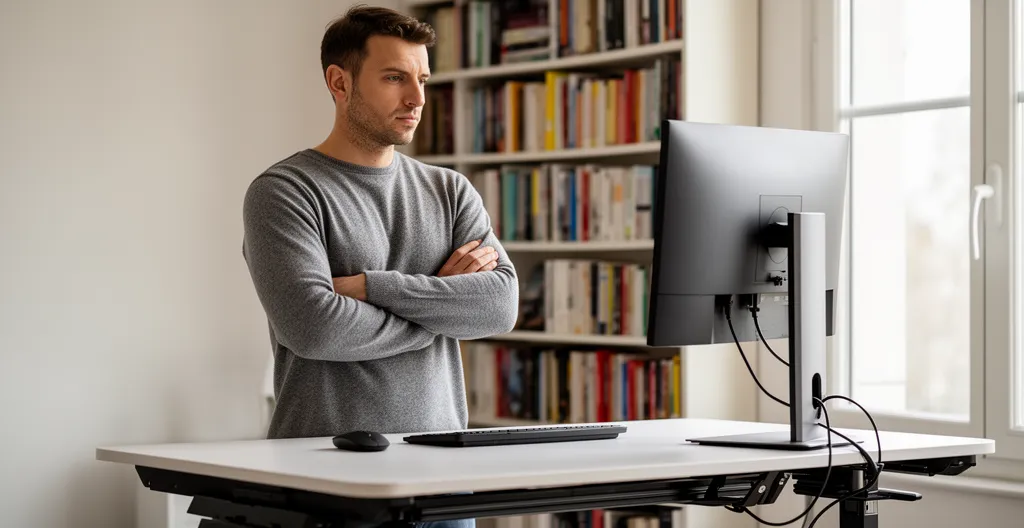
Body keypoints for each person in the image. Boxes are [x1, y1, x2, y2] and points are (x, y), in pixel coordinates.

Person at [241, 3, 519, 449]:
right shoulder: (284, 191)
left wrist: (372, 288)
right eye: (395, 78)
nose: (417, 98)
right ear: (340, 82)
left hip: (443, 462)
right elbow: (315, 330)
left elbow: (500, 306)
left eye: (422, 79)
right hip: (322, 462)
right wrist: (440, 312)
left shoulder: (451, 190)